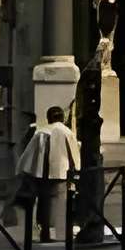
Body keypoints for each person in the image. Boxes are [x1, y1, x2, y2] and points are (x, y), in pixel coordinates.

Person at [16, 104, 80, 242]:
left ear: (49, 118)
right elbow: (74, 153)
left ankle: (45, 232)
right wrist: (77, 169)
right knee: (61, 204)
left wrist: (23, 169)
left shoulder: (41, 132)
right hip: (62, 173)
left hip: (43, 173)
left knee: (44, 203)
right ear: (62, 118)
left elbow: (29, 153)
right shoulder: (67, 132)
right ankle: (62, 234)